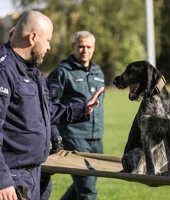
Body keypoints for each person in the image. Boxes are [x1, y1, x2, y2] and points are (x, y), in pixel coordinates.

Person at [0, 10, 104, 200]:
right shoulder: (4, 70)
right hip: (13, 178)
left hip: (37, 174)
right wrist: (2, 180)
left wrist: (83, 108)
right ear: (33, 37)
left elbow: (46, 112)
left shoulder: (34, 73)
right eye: (48, 40)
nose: (49, 47)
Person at [47, 30, 105, 200]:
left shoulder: (98, 72)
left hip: (96, 137)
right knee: (88, 190)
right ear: (73, 46)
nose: (84, 50)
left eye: (88, 47)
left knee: (86, 182)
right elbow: (49, 106)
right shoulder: (62, 72)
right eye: (80, 46)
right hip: (74, 136)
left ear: (94, 48)